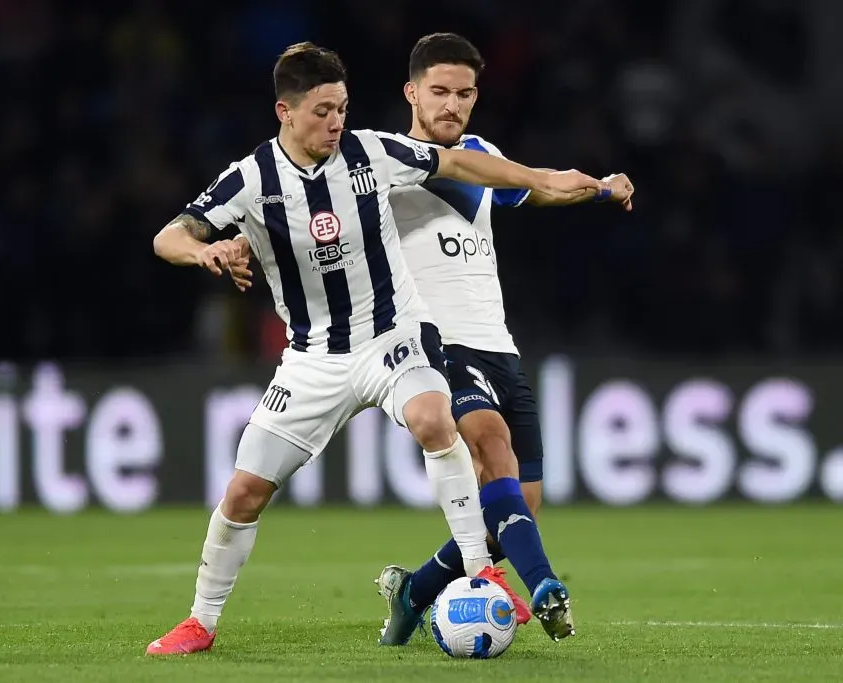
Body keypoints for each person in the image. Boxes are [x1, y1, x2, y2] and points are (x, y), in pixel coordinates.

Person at [146, 41, 605, 656]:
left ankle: (480, 569)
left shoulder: (371, 152)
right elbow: (168, 237)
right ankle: (200, 621)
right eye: (322, 111)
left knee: (432, 418)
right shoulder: (251, 179)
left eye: (342, 108)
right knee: (244, 493)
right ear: (285, 111)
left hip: (394, 336)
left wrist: (541, 177)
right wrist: (206, 251)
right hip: (313, 359)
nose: (336, 122)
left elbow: (460, 165)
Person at [373, 33, 635, 645]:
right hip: (434, 342)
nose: (451, 105)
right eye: (438, 92)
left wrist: (598, 185)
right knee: (491, 447)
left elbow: (534, 188)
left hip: (498, 343)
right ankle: (544, 587)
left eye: (464, 94)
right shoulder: (382, 162)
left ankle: (413, 591)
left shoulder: (480, 152)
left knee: (523, 499)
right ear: (411, 92)